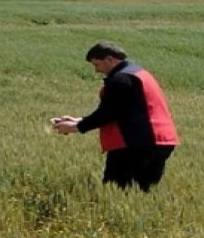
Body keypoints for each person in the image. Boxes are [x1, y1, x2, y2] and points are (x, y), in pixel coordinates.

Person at [51, 41, 179, 191]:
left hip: (137, 143)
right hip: (159, 140)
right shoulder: (138, 73)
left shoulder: (122, 79)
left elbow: (109, 113)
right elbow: (122, 111)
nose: (96, 71)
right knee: (142, 191)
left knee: (117, 189)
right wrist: (79, 120)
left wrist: (78, 127)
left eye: (97, 65)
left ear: (110, 59)